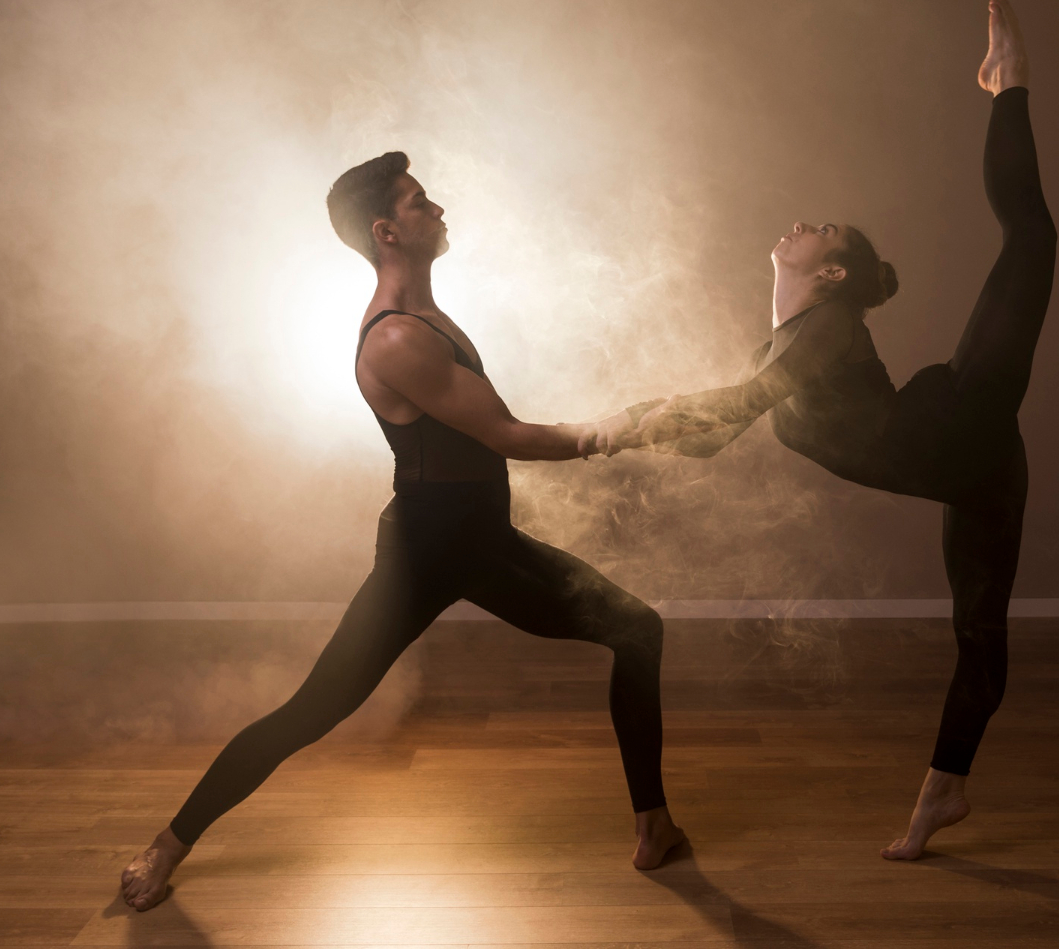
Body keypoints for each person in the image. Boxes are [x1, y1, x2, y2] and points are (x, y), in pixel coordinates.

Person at [119, 154, 685, 911]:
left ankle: (654, 825)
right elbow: (507, 435)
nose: (438, 208)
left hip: (483, 541)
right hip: (427, 553)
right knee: (312, 711)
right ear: (388, 231)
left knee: (637, 630)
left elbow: (487, 435)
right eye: (420, 202)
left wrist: (624, 425)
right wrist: (616, 431)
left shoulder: (430, 317)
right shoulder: (395, 340)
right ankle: (165, 847)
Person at [590, 0, 1053, 861]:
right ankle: (942, 797)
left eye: (822, 229)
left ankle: (1009, 85)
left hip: (964, 412)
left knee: (1030, 235)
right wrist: (617, 438)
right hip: (977, 469)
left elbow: (729, 411)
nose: (802, 224)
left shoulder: (830, 328)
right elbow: (713, 430)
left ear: (832, 270)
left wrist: (622, 424)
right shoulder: (786, 345)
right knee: (980, 640)